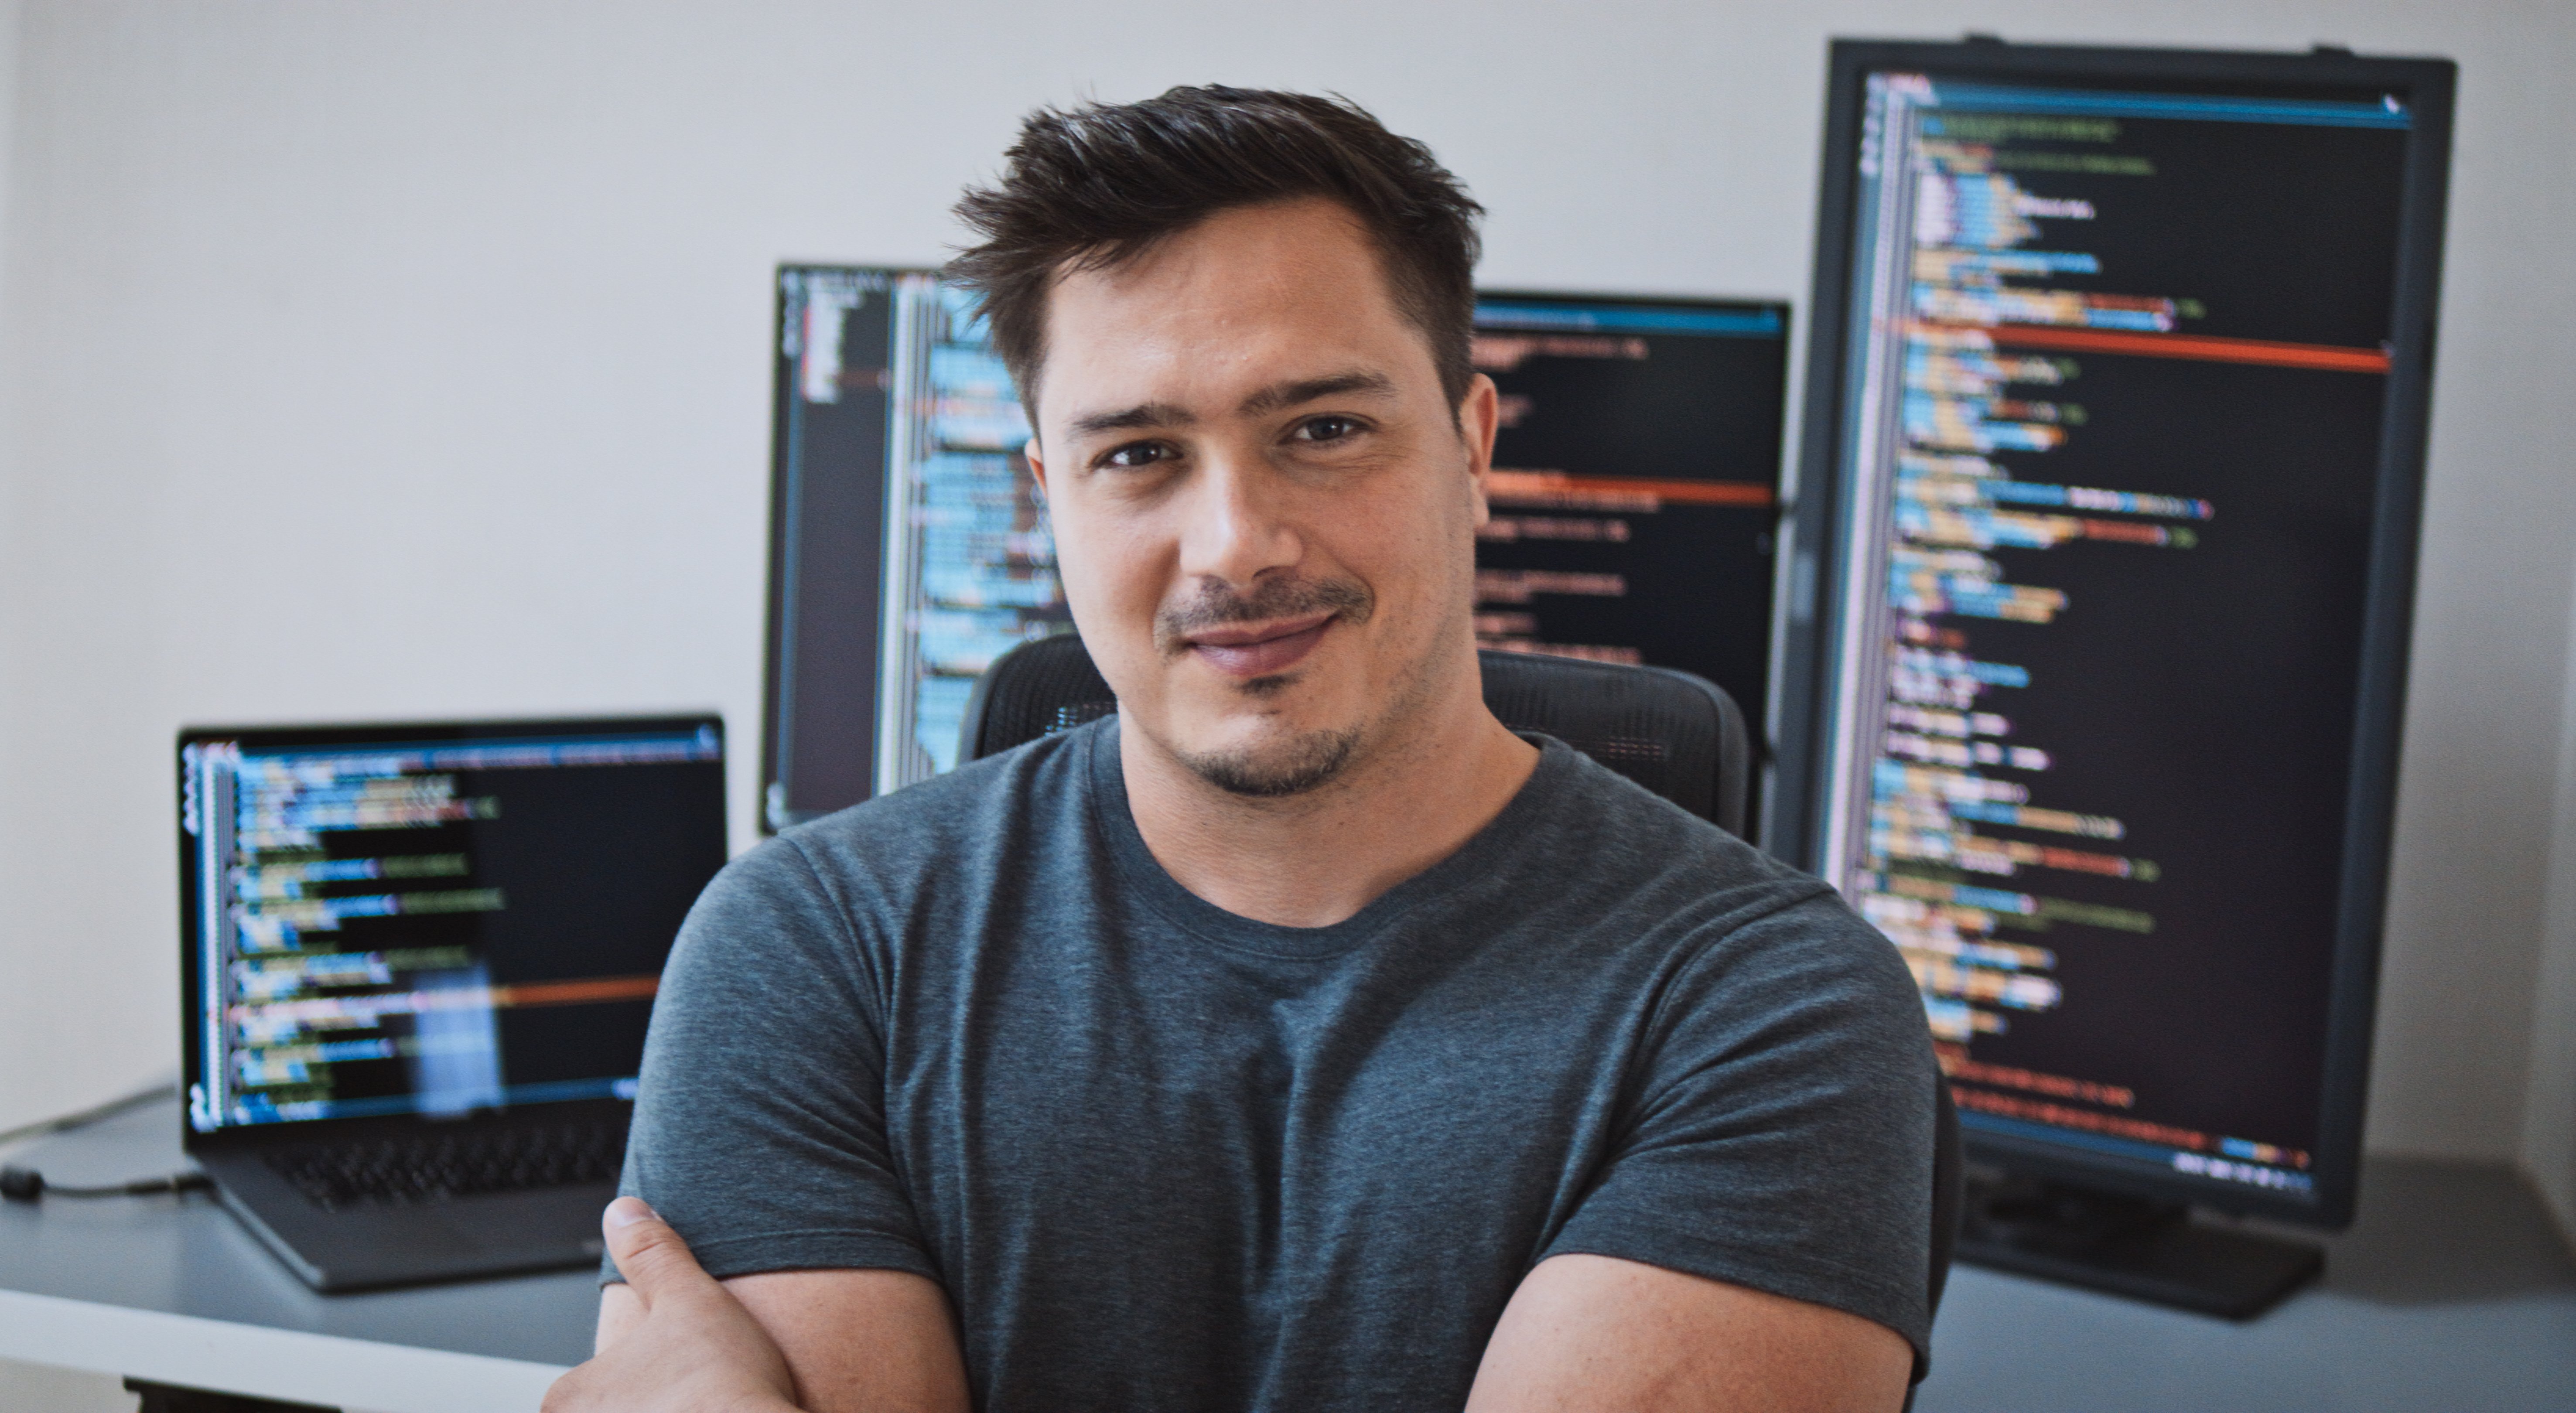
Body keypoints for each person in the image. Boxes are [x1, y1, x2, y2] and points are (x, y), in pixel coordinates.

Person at [544, 86, 1935, 1413]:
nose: (1236, 546)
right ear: (1047, 498)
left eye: (1324, 430)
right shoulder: (815, 950)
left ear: (1472, 447)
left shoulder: (1771, 1010)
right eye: (1139, 455)